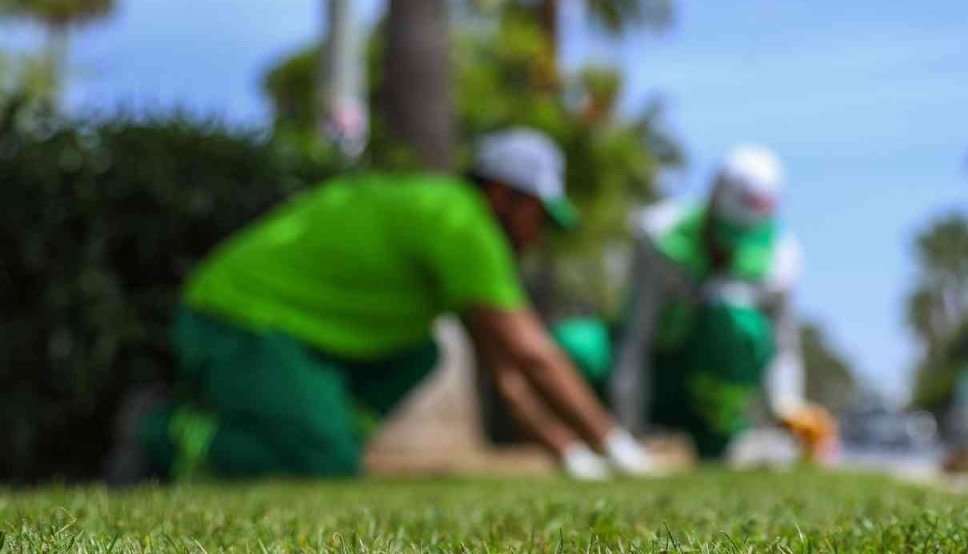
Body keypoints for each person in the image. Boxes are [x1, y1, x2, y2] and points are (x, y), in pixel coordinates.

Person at [108, 128, 656, 482]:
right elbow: (531, 353)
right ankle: (165, 433)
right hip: (240, 320)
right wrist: (614, 444)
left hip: (288, 332)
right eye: (538, 213)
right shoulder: (463, 223)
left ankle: (319, 431)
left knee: (418, 352)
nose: (537, 234)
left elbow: (507, 375)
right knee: (324, 467)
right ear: (503, 195)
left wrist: (570, 456)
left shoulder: (451, 221)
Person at [552, 146, 837, 461]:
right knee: (574, 344)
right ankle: (580, 438)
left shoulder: (781, 260)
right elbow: (637, 338)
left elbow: (783, 348)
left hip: (703, 378)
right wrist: (625, 434)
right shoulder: (661, 236)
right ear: (712, 203)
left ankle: (718, 438)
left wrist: (787, 405)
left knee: (735, 316)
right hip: (653, 369)